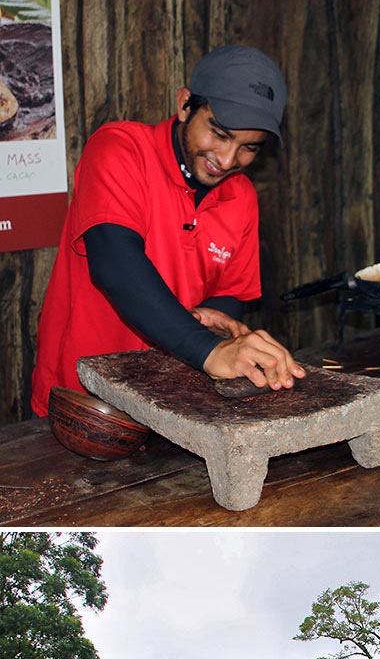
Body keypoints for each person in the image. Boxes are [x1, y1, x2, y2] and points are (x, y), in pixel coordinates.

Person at [31, 45, 305, 417]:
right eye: (219, 134)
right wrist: (209, 350)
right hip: (84, 406)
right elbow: (116, 264)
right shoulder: (120, 149)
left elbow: (228, 293)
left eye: (249, 148)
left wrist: (213, 317)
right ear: (185, 105)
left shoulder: (240, 196)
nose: (227, 160)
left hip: (175, 407)